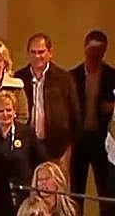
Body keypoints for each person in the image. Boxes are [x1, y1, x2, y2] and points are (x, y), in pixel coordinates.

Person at [72, 31, 115, 216]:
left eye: (99, 50)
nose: (95, 54)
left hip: (104, 145)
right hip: (78, 143)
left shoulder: (112, 76)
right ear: (85, 48)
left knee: (107, 198)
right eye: (91, 49)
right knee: (75, 198)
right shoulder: (73, 76)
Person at [16, 33, 82, 165]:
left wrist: (67, 149)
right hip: (25, 147)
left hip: (55, 149)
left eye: (41, 52)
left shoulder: (64, 79)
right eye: (33, 52)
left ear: (50, 53)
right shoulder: (18, 79)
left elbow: (75, 116)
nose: (37, 56)